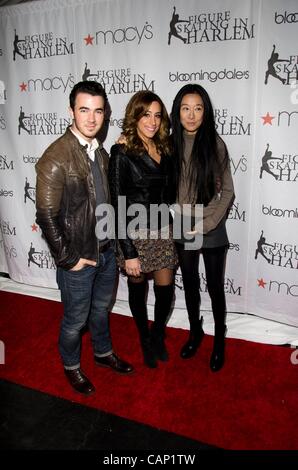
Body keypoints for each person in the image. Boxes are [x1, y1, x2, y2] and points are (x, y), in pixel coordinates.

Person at [35, 81, 133, 396]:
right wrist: (69, 259)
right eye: (84, 110)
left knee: (101, 310)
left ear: (105, 114)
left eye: (98, 111)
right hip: (80, 258)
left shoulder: (100, 153)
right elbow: (46, 216)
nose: (91, 119)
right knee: (76, 320)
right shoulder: (56, 156)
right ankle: (72, 367)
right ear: (71, 112)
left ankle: (103, 354)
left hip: (105, 253)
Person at [108, 90, 178, 368]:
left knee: (165, 289)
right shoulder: (121, 152)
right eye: (146, 114)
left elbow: (170, 193)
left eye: (157, 115)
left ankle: (157, 334)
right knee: (137, 290)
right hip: (134, 235)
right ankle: (144, 338)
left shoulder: (165, 149)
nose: (152, 121)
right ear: (135, 116)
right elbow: (115, 206)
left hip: (162, 230)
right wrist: (128, 252)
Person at [170, 83, 234, 372]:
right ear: (178, 111)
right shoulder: (169, 143)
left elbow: (228, 191)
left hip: (210, 224)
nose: (192, 115)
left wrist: (206, 223)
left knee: (215, 287)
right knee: (191, 283)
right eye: (186, 108)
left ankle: (220, 338)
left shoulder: (216, 144)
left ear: (205, 111)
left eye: (198, 108)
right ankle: (196, 332)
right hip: (183, 223)